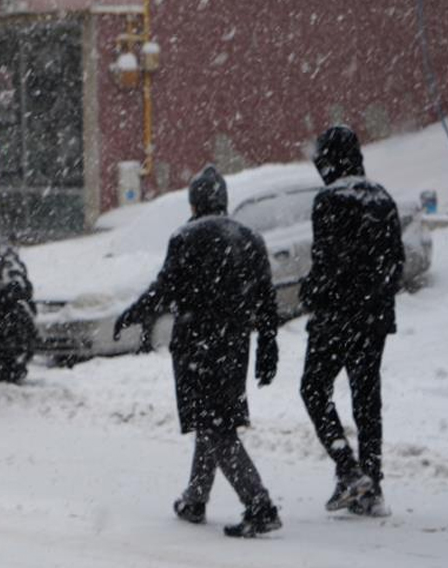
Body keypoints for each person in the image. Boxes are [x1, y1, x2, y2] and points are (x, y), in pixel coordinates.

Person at [114, 165, 281, 538]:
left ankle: (259, 504)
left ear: (194, 202)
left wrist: (133, 313)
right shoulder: (249, 238)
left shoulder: (186, 238)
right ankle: (195, 498)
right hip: (235, 345)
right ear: (223, 200)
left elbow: (165, 288)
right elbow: (266, 300)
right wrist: (268, 344)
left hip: (196, 346)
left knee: (215, 427)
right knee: (215, 422)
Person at [299, 126, 404, 517]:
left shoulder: (329, 200)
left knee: (313, 388)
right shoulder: (381, 197)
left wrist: (313, 295)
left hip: (336, 316)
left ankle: (347, 467)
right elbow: (395, 261)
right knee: (366, 398)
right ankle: (371, 485)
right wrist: (378, 295)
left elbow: (327, 261)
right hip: (374, 317)